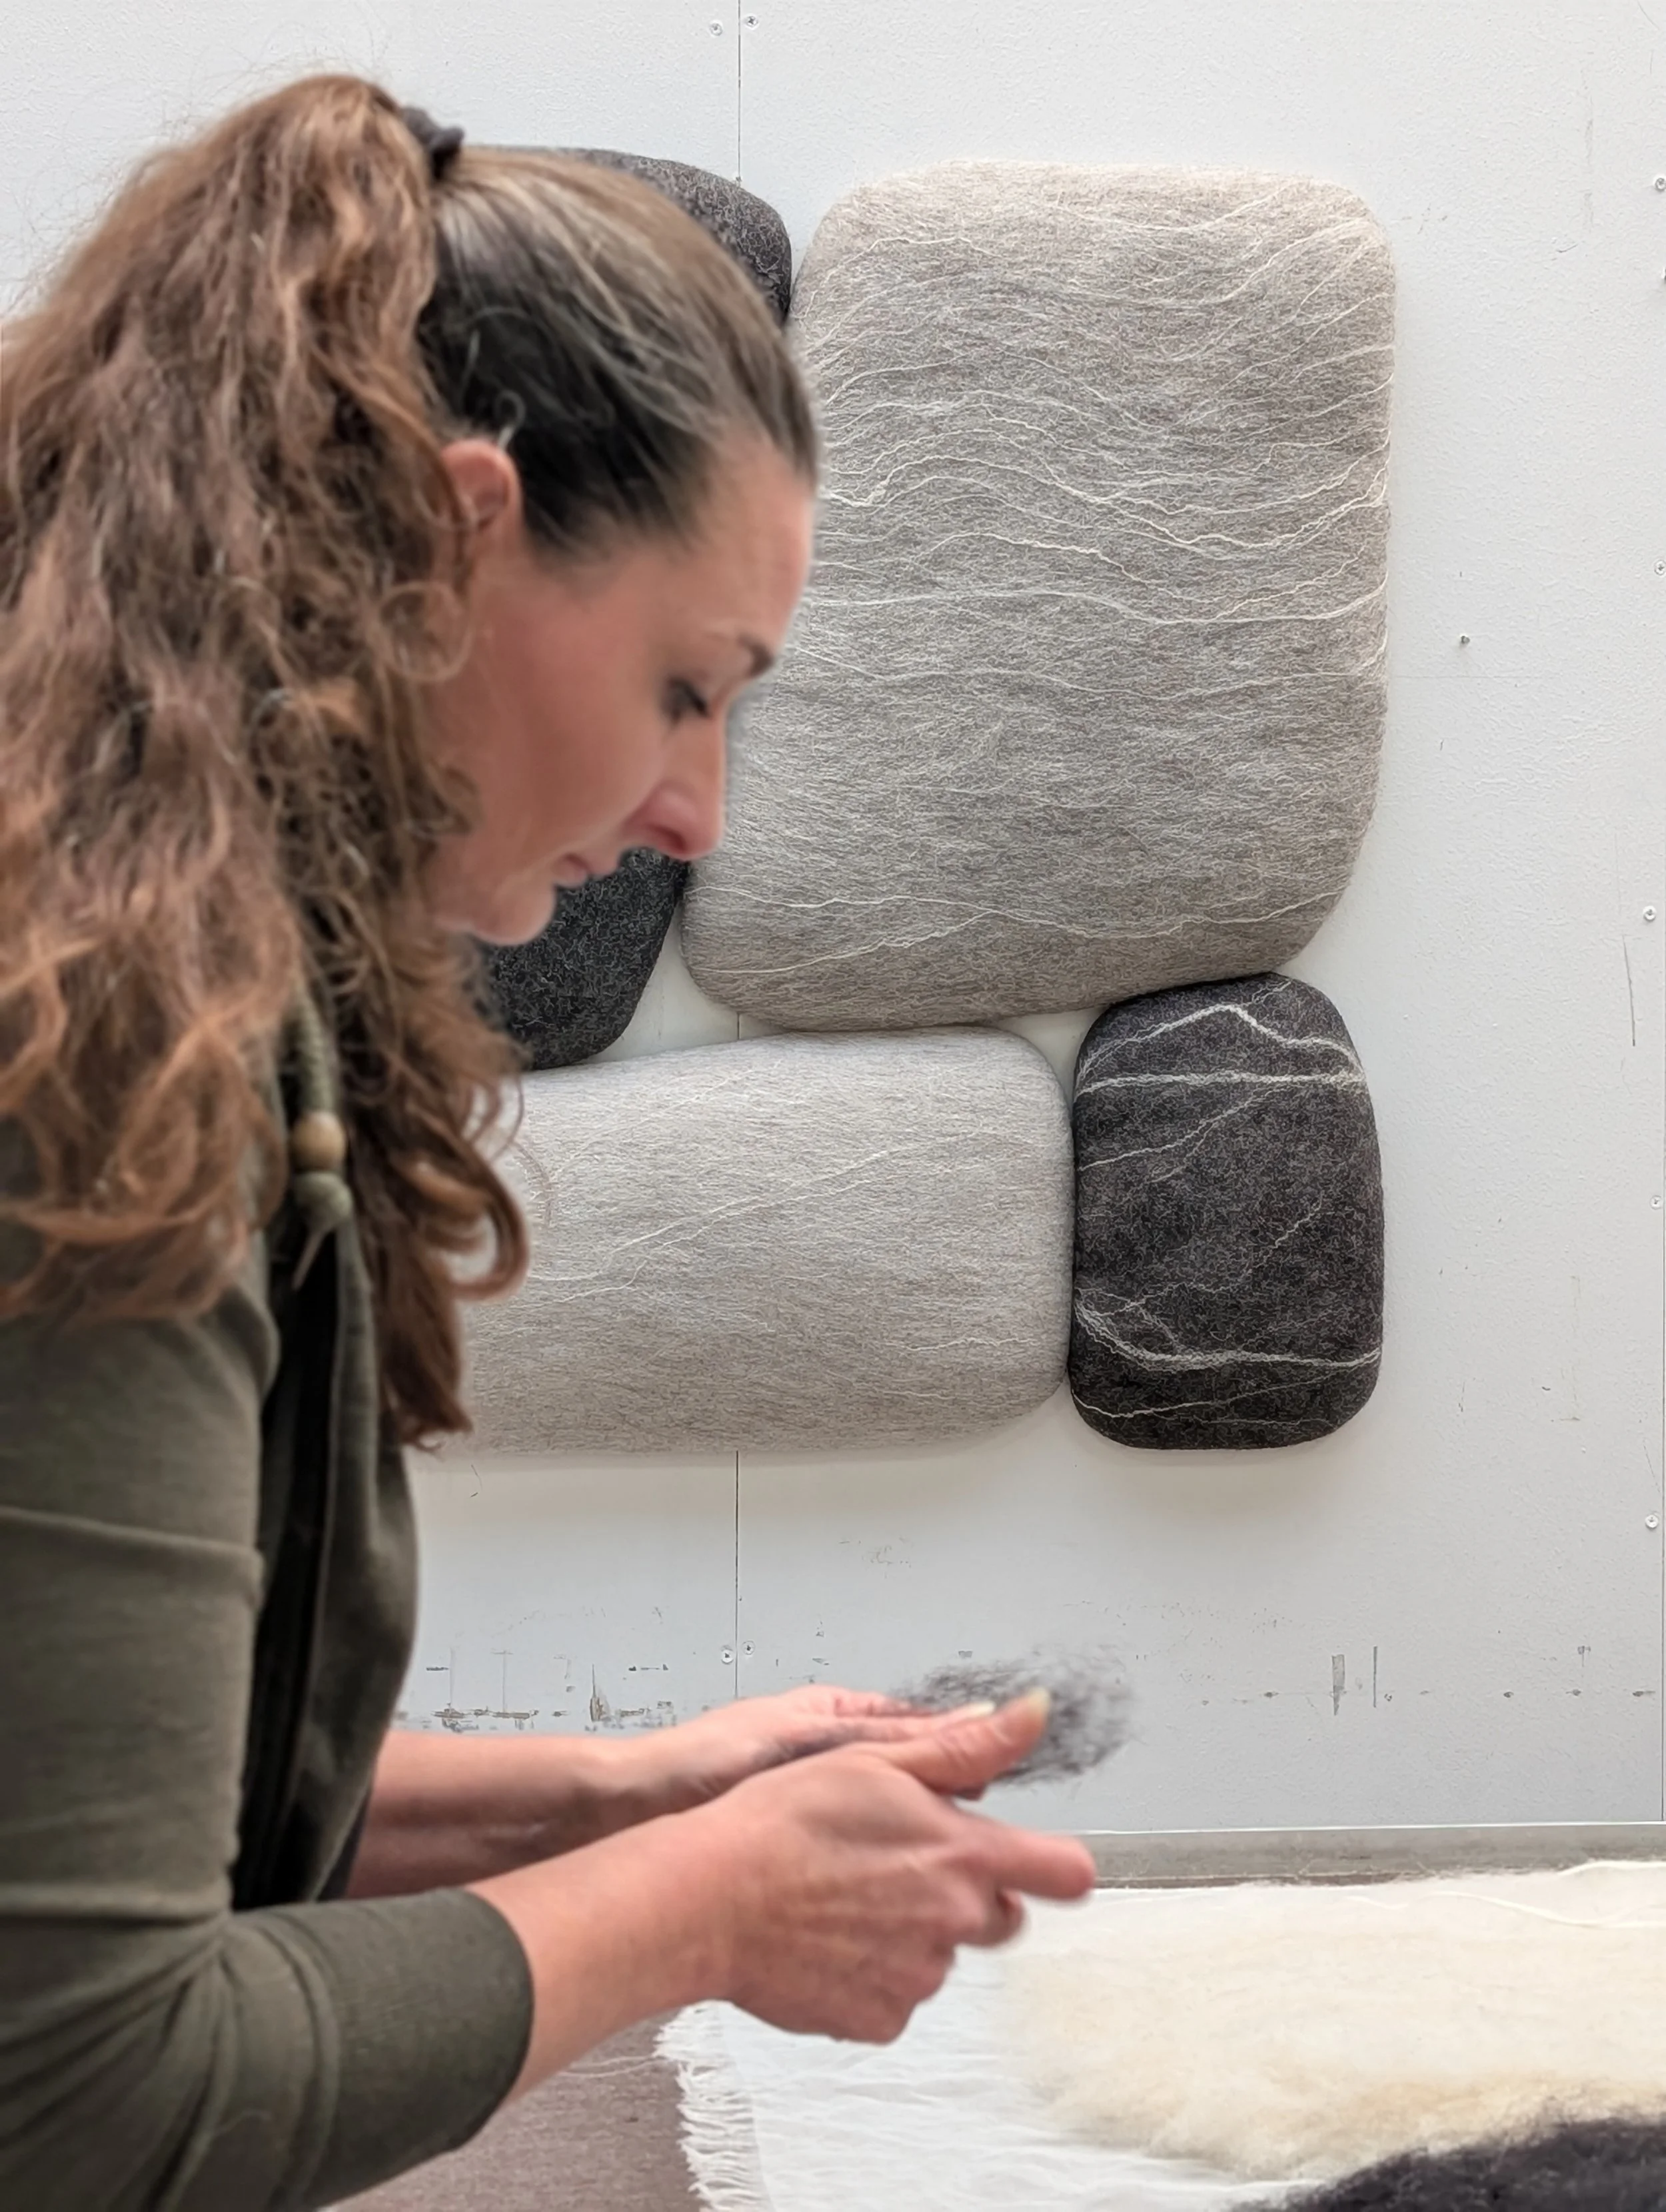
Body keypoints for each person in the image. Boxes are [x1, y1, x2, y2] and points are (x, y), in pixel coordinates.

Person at [0, 73, 1095, 2209]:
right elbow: (86, 2091)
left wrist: (625, 1799)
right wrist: (705, 1904)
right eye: (689, 687)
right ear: (450, 539)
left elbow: (81, 1815)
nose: (697, 811)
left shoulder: (145, 942)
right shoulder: (91, 1037)